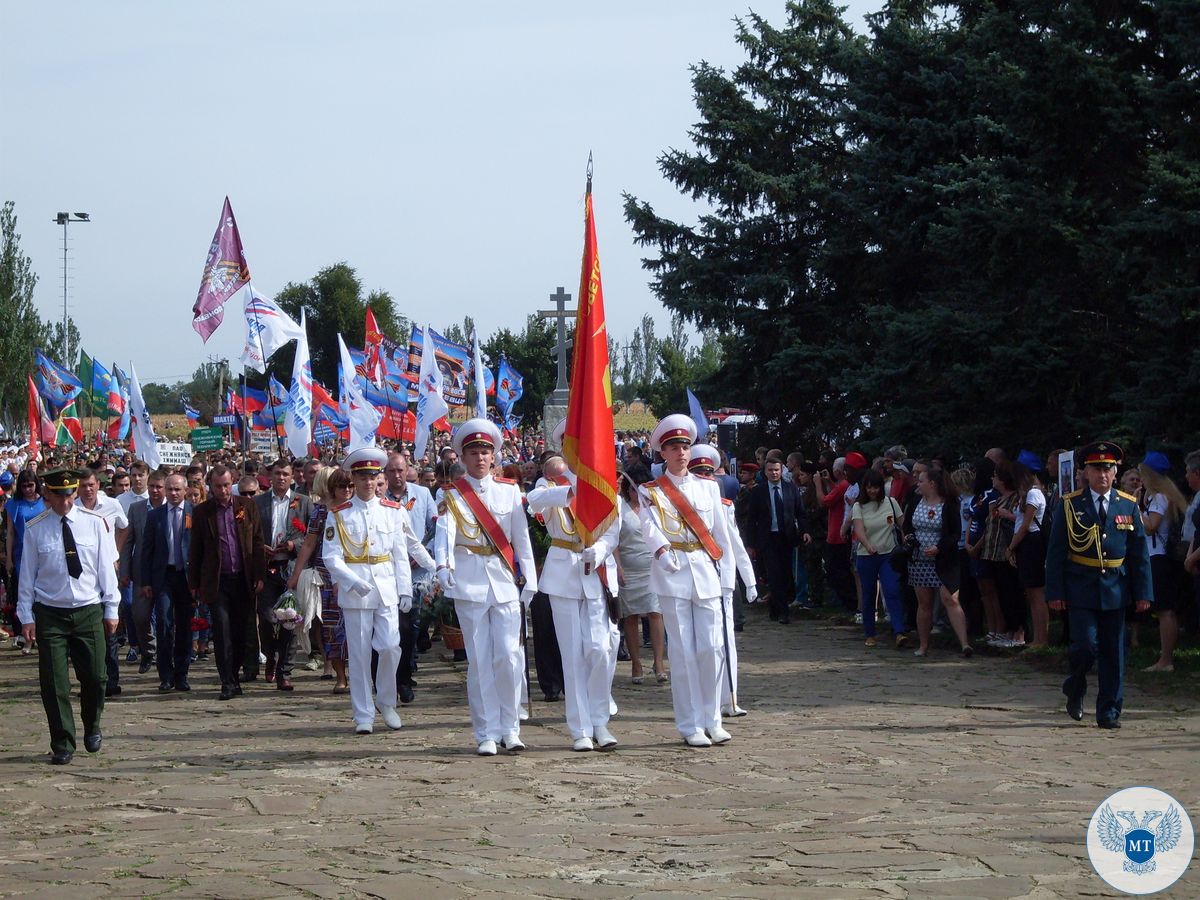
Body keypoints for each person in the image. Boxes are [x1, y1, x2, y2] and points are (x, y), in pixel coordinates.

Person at [434, 418, 538, 756]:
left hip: (505, 579)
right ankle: (486, 732)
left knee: (509, 657)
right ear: (462, 458)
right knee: (479, 660)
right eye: (473, 452)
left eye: (485, 452)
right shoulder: (451, 494)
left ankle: (511, 728)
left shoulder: (509, 490)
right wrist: (443, 566)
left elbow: (521, 539)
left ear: (494, 456)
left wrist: (530, 579)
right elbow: (445, 533)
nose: (480, 458)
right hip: (469, 581)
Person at [638, 414, 742, 748]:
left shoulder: (709, 487)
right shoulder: (650, 490)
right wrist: (661, 550)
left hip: (704, 571)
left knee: (711, 648)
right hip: (673, 574)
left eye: (685, 446)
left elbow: (721, 536)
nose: (681, 453)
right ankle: (690, 723)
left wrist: (727, 578)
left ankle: (712, 719)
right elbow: (648, 524)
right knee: (682, 651)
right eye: (673, 447)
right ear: (662, 452)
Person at [323, 447, 434, 735]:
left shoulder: (392, 511)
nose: (368, 483)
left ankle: (386, 701)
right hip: (357, 590)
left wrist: (408, 587)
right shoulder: (339, 514)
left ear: (379, 478)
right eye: (362, 477)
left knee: (389, 646)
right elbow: (331, 556)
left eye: (372, 477)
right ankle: (363, 713)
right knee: (359, 655)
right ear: (353, 480)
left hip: (386, 586)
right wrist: (350, 580)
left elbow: (402, 550)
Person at [527, 432, 622, 752]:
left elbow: (613, 527)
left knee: (600, 648)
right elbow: (533, 504)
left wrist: (602, 550)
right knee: (572, 654)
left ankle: (600, 720)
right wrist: (569, 488)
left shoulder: (601, 484)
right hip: (562, 574)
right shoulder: (549, 486)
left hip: (593, 573)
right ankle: (581, 728)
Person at [17, 468, 119, 765]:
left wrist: (111, 608)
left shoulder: (94, 524)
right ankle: (62, 741)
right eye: (58, 496)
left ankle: (92, 723)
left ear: (75, 494)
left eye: (69, 495)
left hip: (88, 609)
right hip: (51, 613)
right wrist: (26, 616)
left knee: (96, 677)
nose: (64, 502)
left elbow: (105, 570)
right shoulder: (36, 527)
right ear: (47, 495)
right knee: (54, 682)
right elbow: (27, 575)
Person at [1047, 442, 1152, 729]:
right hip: (1081, 586)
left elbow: (1139, 553)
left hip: (1116, 588)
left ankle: (1109, 711)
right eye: (1096, 468)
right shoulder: (1070, 504)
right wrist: (1055, 592)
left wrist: (1143, 592)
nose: (1102, 474)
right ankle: (1076, 684)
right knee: (1085, 646)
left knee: (1114, 652)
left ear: (1116, 472)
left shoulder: (1127, 504)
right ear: (1085, 472)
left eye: (1108, 468)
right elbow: (1056, 552)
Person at [688, 444, 756, 718]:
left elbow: (736, 545)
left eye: (708, 472)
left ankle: (730, 699)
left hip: (723, 581)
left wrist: (748, 580)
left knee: (726, 640)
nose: (706, 478)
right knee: (699, 643)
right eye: (699, 473)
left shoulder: (725, 506)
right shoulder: (682, 506)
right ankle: (704, 700)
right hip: (694, 580)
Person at [187, 465, 266, 701]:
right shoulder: (203, 512)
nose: (222, 490)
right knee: (222, 631)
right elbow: (196, 549)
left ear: (232, 482)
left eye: (225, 485)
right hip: (217, 581)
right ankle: (227, 681)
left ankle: (236, 671)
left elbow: (258, 541)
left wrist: (259, 574)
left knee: (242, 632)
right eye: (217, 486)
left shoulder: (247, 506)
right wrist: (195, 583)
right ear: (210, 486)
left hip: (243, 579)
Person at [288, 467, 352, 693]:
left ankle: (361, 672)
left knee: (358, 628)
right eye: (342, 486)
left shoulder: (357, 509)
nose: (347, 490)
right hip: (326, 576)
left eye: (350, 486)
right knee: (332, 628)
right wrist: (296, 574)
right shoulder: (321, 513)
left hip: (356, 574)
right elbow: (308, 543)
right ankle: (340, 675)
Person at [252, 460, 313, 690]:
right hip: (267, 568)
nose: (281, 478)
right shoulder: (259, 502)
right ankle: (271, 654)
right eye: (277, 473)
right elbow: (252, 533)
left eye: (285, 474)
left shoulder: (303, 502)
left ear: (292, 477)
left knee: (290, 620)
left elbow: (309, 537)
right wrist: (261, 547)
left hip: (291, 568)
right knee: (267, 619)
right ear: (270, 476)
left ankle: (284, 672)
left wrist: (292, 545)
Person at [383, 452, 436, 704]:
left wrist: (428, 559)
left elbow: (434, 528)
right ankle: (384, 680)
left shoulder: (422, 494)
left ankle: (404, 677)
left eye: (400, 470)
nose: (396, 475)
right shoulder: (379, 498)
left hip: (416, 574)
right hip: (385, 575)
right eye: (391, 471)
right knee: (385, 633)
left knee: (408, 628)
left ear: (407, 470)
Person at [903, 466, 972, 658]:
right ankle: (924, 645)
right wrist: (909, 539)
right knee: (924, 603)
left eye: (922, 480)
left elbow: (954, 533)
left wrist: (939, 548)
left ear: (932, 484)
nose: (918, 483)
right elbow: (907, 524)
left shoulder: (949, 503)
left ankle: (964, 644)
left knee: (950, 599)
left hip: (943, 559)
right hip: (919, 559)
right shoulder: (916, 500)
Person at [74, 469, 129, 697]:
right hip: (84, 573)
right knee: (86, 629)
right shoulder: (73, 507)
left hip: (108, 570)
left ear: (98, 484)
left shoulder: (112, 505)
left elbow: (124, 527)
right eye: (83, 485)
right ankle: (89, 679)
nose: (88, 489)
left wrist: (115, 552)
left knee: (110, 625)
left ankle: (111, 680)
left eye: (91, 484)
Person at [140, 475, 195, 693]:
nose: (173, 493)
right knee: (163, 623)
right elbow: (146, 550)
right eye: (169, 489)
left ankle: (182, 674)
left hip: (186, 577)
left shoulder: (194, 513)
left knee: (184, 626)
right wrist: (145, 581)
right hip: (163, 577)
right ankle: (166, 675)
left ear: (185, 490)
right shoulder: (155, 516)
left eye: (177, 489)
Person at [614, 471, 668, 686]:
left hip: (652, 566)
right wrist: (618, 567)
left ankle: (659, 662)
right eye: (634, 486)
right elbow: (614, 540)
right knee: (631, 617)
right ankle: (636, 663)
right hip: (629, 566)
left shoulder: (654, 509)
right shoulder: (620, 509)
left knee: (655, 613)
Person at [1137, 451, 1187, 673]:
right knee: (1162, 609)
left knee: (1165, 610)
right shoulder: (1157, 496)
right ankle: (1164, 657)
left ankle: (1166, 660)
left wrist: (1135, 508)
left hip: (1159, 558)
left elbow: (1151, 526)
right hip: (1155, 556)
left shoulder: (1160, 498)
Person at [744, 455, 810, 624]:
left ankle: (775, 607)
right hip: (767, 539)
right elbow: (751, 519)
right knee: (774, 574)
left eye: (776, 470)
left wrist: (804, 531)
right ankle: (783, 612)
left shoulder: (790, 489)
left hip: (786, 537)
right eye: (770, 470)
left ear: (781, 471)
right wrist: (750, 544)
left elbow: (800, 513)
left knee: (786, 575)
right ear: (765, 472)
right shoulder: (758, 491)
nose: (773, 473)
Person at [850, 469, 907, 648]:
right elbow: (858, 530)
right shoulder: (858, 506)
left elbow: (902, 524)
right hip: (867, 556)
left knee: (892, 591)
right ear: (864, 488)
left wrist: (906, 538)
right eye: (869, 488)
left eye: (876, 487)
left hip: (888, 555)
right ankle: (870, 633)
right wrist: (867, 545)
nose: (873, 491)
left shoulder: (891, 503)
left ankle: (899, 631)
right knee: (869, 595)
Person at [1008, 454, 1050, 647]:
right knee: (1032, 594)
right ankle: (1037, 638)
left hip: (1032, 542)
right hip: (1026, 543)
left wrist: (1011, 547)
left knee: (1037, 594)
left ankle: (1042, 638)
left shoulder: (1034, 494)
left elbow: (1025, 525)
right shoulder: (1027, 494)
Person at [5, 470, 46, 653]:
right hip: (22, 553)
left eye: (31, 485)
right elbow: (10, 533)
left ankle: (42, 634)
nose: (28, 489)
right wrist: (8, 557)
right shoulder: (14, 504)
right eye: (24, 486)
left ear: (36, 483)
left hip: (44, 553)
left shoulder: (45, 501)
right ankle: (28, 637)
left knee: (43, 593)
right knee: (26, 594)